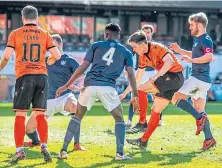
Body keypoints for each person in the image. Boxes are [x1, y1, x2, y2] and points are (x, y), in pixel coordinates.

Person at [55, 23, 139, 160]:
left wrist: (66, 85)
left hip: (90, 86)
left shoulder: (96, 45)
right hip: (108, 87)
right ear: (118, 36)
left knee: (77, 117)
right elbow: (131, 74)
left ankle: (63, 150)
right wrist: (135, 95)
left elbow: (83, 67)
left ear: (106, 34)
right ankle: (120, 154)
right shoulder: (126, 52)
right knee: (119, 119)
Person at [121, 30, 206, 149]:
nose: (133, 50)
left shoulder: (157, 47)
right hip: (167, 79)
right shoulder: (142, 57)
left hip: (173, 76)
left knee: (140, 90)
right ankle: (144, 140)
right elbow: (138, 78)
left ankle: (142, 122)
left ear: (142, 44)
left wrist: (156, 75)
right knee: (156, 109)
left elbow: (170, 62)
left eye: (134, 47)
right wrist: (125, 93)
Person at [0, 5, 61, 163]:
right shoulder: (44, 33)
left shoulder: (16, 33)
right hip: (42, 76)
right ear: (36, 17)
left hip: (24, 76)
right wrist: (46, 61)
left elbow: (6, 57)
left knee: (21, 115)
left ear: (23, 17)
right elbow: (57, 55)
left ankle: (20, 151)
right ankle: (44, 146)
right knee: (40, 114)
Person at [24, 34, 85, 151]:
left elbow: (81, 74)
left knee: (75, 107)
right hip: (46, 101)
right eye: (49, 47)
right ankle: (36, 142)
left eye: (53, 46)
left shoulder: (69, 60)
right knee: (29, 129)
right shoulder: (44, 61)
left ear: (60, 45)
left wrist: (76, 85)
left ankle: (76, 144)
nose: (51, 50)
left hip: (64, 96)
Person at [170, 12, 216, 150]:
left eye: (192, 24)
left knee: (175, 97)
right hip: (203, 81)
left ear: (199, 24)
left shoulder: (206, 39)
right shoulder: (198, 39)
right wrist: (180, 51)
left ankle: (198, 118)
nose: (190, 27)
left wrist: (192, 61)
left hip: (198, 79)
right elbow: (194, 54)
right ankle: (209, 139)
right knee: (200, 110)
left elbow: (208, 56)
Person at [125, 25, 164, 134]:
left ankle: (159, 119)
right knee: (135, 95)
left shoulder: (155, 46)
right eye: (144, 32)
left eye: (148, 32)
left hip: (152, 72)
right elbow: (130, 56)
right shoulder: (136, 45)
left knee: (158, 96)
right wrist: (127, 70)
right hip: (140, 72)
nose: (146, 34)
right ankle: (129, 119)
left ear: (151, 33)